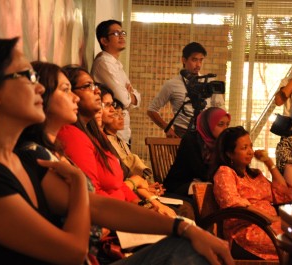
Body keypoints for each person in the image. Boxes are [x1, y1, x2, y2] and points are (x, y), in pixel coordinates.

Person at [14, 61, 235, 265]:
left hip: (102, 236)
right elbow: (94, 210)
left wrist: (178, 224)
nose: (76, 97)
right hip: (96, 248)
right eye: (66, 89)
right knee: (188, 247)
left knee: (190, 236)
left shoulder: (57, 149)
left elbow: (99, 202)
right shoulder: (40, 153)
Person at [0, 37, 91, 264]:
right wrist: (79, 181)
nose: (41, 88)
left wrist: (169, 224)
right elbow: (72, 252)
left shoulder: (19, 160)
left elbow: (99, 207)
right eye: (28, 77)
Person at [59, 65, 178, 218]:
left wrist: (144, 205)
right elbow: (93, 196)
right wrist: (137, 190)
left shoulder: (96, 135)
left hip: (120, 210)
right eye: (88, 86)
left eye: (94, 85)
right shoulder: (72, 135)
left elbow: (118, 185)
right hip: (109, 219)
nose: (97, 91)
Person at [212, 126, 292, 260]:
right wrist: (269, 218)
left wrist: (269, 162)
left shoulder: (255, 174)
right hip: (247, 230)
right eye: (244, 148)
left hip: (269, 225)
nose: (250, 152)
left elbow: (282, 193)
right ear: (229, 153)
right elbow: (232, 203)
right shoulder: (225, 172)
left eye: (251, 146)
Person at [147, 42, 225, 138]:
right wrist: (167, 128)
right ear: (184, 60)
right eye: (194, 60)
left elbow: (220, 110)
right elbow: (151, 110)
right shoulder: (172, 84)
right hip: (181, 134)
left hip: (205, 135)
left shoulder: (209, 83)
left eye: (201, 60)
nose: (198, 65)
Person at [91, 19, 140, 146]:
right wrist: (130, 96)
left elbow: (137, 100)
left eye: (122, 33)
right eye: (116, 34)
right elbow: (124, 100)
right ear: (104, 41)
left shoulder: (116, 64)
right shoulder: (104, 63)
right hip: (110, 130)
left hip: (122, 131)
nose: (122, 36)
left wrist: (132, 96)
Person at [163, 107, 230, 198]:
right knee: (218, 190)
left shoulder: (219, 142)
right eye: (220, 124)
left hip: (204, 183)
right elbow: (200, 171)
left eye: (227, 125)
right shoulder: (191, 139)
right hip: (180, 185)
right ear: (208, 124)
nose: (225, 129)